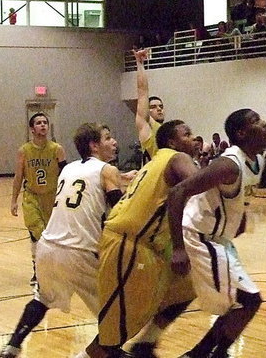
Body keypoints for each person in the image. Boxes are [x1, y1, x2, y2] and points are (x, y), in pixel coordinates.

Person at [0, 123, 125, 358]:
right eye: (108, 137)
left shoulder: (69, 170)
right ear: (94, 145)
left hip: (48, 247)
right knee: (116, 319)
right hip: (79, 251)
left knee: (42, 298)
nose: (114, 141)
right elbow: (120, 207)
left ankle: (12, 346)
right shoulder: (107, 170)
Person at [91, 119, 201, 358]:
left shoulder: (157, 160)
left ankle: (146, 344)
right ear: (172, 142)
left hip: (147, 247)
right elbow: (198, 187)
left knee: (188, 287)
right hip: (128, 246)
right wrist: (227, 178)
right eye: (187, 133)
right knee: (110, 339)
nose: (194, 138)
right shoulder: (177, 158)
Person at [166, 109, 266, 358]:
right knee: (246, 300)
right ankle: (207, 353)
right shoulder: (229, 163)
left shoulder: (257, 160)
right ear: (241, 133)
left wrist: (240, 217)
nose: (265, 123)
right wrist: (178, 248)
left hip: (218, 239)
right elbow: (177, 193)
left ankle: (202, 353)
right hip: (199, 236)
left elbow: (235, 195)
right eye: (256, 121)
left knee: (245, 302)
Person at [11, 112, 67, 284]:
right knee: (36, 233)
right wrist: (13, 200)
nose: (43, 125)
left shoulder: (57, 149)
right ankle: (37, 270)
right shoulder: (24, 151)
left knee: (53, 235)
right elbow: (19, 176)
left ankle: (53, 267)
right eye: (38, 123)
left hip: (52, 197)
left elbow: (66, 174)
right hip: (32, 197)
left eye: (45, 122)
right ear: (32, 129)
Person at [133, 48, 165, 164]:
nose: (159, 109)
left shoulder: (167, 131)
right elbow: (142, 92)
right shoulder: (148, 128)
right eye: (154, 107)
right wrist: (140, 64)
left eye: (161, 106)